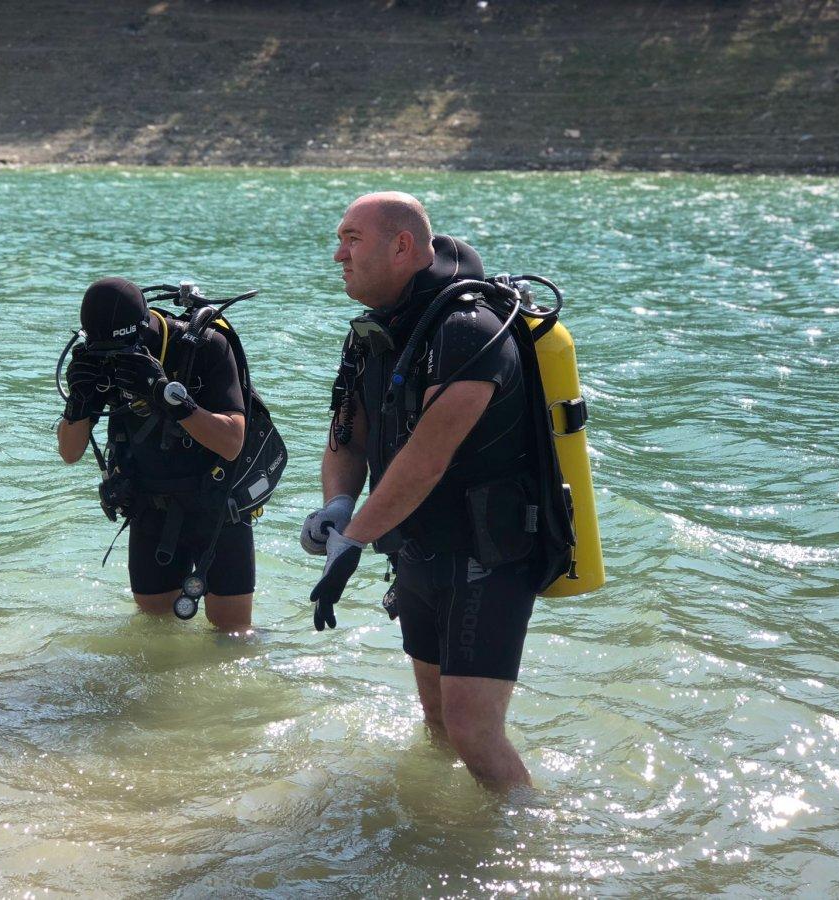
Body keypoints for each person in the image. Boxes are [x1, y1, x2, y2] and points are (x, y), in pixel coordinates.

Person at [303, 192, 538, 790]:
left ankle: (531, 840)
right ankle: (437, 841)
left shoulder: (470, 331)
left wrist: (353, 539)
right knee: (436, 721)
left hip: (488, 553)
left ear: (402, 245)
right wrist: (338, 507)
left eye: (352, 240)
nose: (338, 255)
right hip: (417, 548)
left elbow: (428, 458)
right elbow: (346, 437)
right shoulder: (373, 333)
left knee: (472, 730)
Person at [57, 277, 255, 631]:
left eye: (121, 351)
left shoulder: (207, 346)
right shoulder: (99, 359)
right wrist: (78, 404)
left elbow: (232, 442)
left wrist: (167, 396)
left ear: (143, 331)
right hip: (151, 505)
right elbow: (70, 453)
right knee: (154, 631)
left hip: (217, 504)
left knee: (233, 633)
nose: (113, 360)